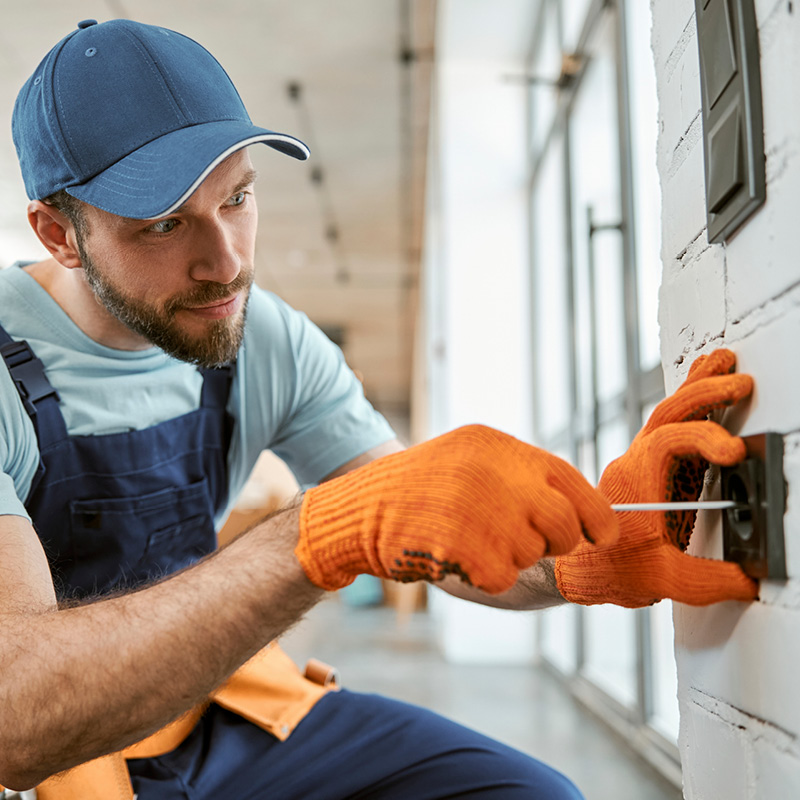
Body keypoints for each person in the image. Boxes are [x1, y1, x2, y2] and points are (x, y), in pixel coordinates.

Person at [0, 18, 758, 800]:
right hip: (57, 761)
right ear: (60, 233)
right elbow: (14, 719)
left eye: (238, 198)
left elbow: (428, 535)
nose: (225, 263)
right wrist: (316, 535)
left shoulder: (261, 337)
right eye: (163, 224)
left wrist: (586, 553)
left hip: (220, 709)